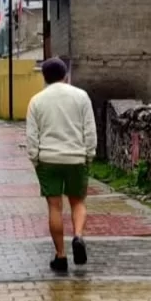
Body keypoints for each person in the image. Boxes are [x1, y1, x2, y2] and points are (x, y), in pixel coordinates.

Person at [26, 58, 97, 273]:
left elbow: (31, 136)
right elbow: (89, 130)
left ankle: (61, 255)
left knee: (54, 207)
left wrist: (35, 158)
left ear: (44, 77)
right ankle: (78, 236)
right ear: (65, 75)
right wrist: (89, 155)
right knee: (78, 202)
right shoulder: (81, 96)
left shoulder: (36, 101)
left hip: (48, 159)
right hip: (76, 158)